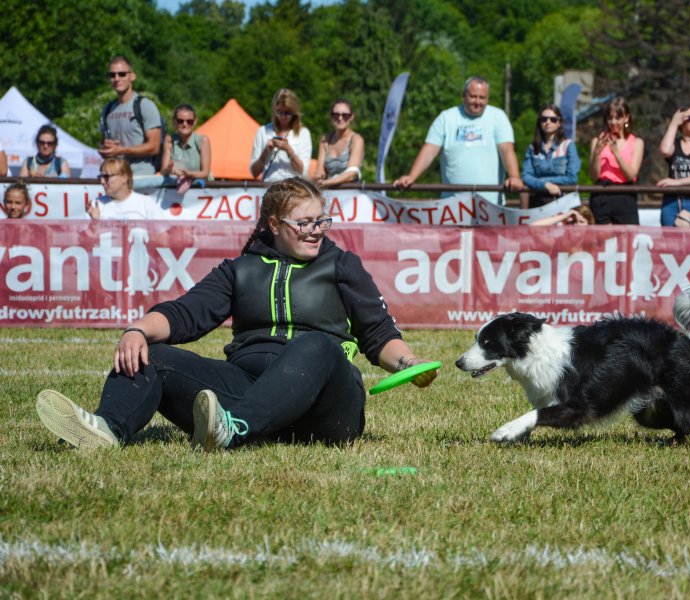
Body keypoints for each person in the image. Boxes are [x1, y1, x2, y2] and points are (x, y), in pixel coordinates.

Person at [35, 177, 438, 452]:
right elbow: (185, 314)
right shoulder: (238, 270)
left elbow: (378, 332)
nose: (317, 230)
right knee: (152, 353)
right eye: (306, 223)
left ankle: (233, 428)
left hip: (327, 411)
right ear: (275, 224)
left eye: (321, 221)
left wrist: (408, 362)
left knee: (315, 344)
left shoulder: (342, 265)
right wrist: (137, 330)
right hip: (249, 387)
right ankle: (106, 429)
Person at [394, 76, 523, 205]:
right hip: (452, 206)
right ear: (464, 96)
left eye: (482, 97)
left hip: (490, 205)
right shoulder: (446, 118)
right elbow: (429, 150)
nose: (477, 101)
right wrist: (411, 176)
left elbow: (507, 151)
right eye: (473, 96)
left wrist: (514, 177)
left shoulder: (498, 117)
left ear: (487, 99)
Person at [98, 55, 163, 187]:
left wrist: (121, 150)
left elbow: (154, 147)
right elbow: (104, 145)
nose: (117, 79)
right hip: (115, 180)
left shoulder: (145, 105)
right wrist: (105, 149)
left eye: (122, 74)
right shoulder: (107, 109)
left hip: (142, 179)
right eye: (112, 75)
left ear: (132, 76)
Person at [588, 97, 644, 225]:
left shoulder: (636, 142)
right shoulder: (597, 141)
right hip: (601, 194)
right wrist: (597, 152)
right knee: (601, 241)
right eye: (610, 118)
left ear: (626, 118)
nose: (613, 122)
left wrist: (617, 153)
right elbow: (593, 175)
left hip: (624, 195)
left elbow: (631, 175)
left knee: (627, 240)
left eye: (618, 118)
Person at [521, 104, 581, 209]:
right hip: (537, 202)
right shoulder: (532, 148)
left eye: (553, 119)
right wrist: (544, 185)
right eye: (544, 119)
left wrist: (544, 182)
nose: (548, 122)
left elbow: (572, 178)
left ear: (559, 123)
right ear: (539, 123)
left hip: (562, 201)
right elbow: (526, 176)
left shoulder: (568, 146)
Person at [250, 89, 312, 182]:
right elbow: (254, 173)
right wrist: (266, 152)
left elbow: (302, 171)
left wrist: (288, 150)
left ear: (294, 113)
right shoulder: (263, 131)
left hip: (294, 189)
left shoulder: (303, 133)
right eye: (279, 112)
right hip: (269, 188)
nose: (282, 117)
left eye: (287, 113)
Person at [87, 158, 166, 221]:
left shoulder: (145, 203)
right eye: (101, 177)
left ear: (124, 178)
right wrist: (95, 223)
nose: (102, 181)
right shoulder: (96, 204)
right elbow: (82, 239)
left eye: (106, 177)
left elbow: (163, 238)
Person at [312, 98, 365, 188]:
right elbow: (319, 171)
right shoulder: (325, 140)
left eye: (345, 115)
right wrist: (317, 177)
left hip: (351, 195)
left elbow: (352, 174)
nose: (340, 118)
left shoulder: (356, 139)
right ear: (331, 117)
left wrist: (328, 182)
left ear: (352, 117)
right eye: (336, 115)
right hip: (330, 195)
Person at [160, 104, 211, 193]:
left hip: (200, 190)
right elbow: (163, 172)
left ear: (195, 121)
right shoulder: (169, 140)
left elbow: (205, 173)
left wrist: (188, 174)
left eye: (189, 121)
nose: (185, 124)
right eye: (180, 121)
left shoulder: (203, 140)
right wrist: (170, 169)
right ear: (174, 121)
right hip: (176, 190)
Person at [529, 205, 595, 227]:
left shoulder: (593, 241)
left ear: (589, 223)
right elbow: (533, 226)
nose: (576, 225)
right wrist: (565, 216)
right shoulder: (561, 239)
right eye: (574, 221)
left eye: (581, 222)